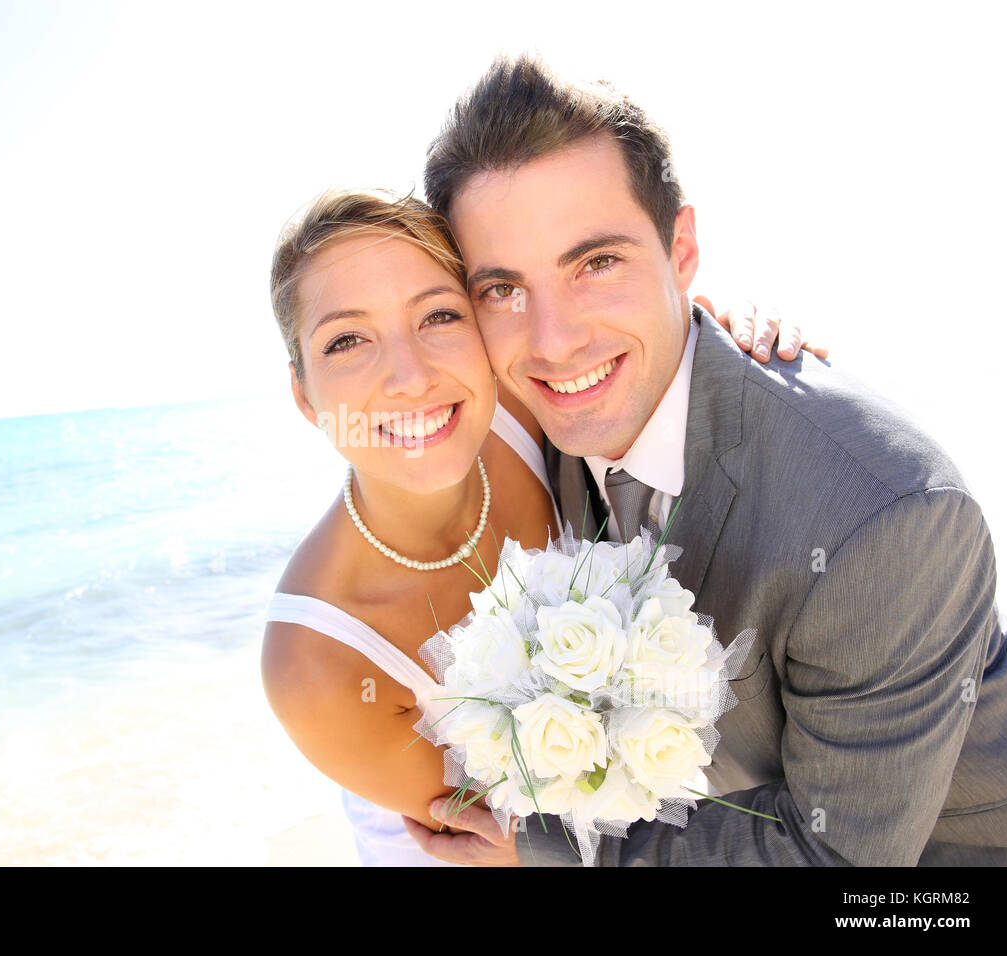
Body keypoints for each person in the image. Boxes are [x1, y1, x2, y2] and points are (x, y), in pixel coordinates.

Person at [405, 55, 1007, 866]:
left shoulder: (889, 519)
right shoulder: (520, 421)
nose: (553, 340)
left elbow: (829, 861)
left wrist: (544, 851)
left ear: (682, 249)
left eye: (597, 263)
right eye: (502, 289)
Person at [261, 190, 820, 866]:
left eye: (439, 315)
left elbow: (638, 354)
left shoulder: (523, 410)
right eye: (346, 340)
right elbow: (526, 840)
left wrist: (716, 340)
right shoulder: (317, 664)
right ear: (301, 394)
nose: (409, 377)